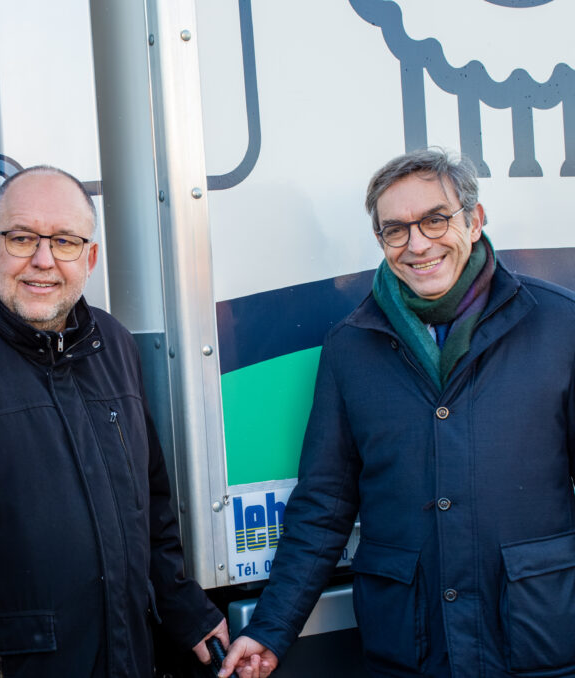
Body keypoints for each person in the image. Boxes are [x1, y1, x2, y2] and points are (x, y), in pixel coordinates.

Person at [225, 148, 575, 678]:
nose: (417, 244)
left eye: (436, 220)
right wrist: (270, 629)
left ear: (474, 221)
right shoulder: (350, 347)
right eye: (395, 230)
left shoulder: (558, 324)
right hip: (410, 650)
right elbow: (324, 504)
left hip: (537, 640)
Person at [0, 166, 229, 677]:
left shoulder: (114, 345)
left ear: (90, 257)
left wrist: (184, 609)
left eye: (64, 241)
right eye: (21, 238)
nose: (43, 261)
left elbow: (148, 505)